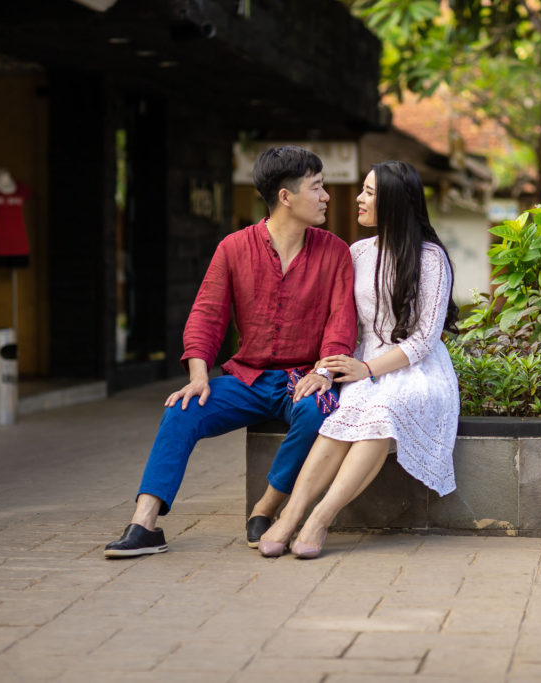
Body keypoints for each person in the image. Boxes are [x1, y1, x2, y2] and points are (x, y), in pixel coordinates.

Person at [103, 146, 357, 558]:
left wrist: (323, 373)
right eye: (317, 187)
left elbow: (340, 323)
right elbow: (206, 315)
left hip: (302, 378)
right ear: (285, 197)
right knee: (181, 410)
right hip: (247, 379)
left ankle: (265, 509)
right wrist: (198, 377)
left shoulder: (335, 252)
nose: (326, 196)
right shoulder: (234, 248)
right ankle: (143, 523)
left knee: (317, 410)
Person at [258, 160, 460, 558]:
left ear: (395, 202)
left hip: (417, 371)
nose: (359, 200)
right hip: (363, 363)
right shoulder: (357, 252)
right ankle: (289, 516)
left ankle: (320, 520)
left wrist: (366, 369)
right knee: (339, 419)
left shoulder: (431, 258)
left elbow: (423, 340)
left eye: (369, 193)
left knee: (382, 409)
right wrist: (328, 367)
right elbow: (340, 321)